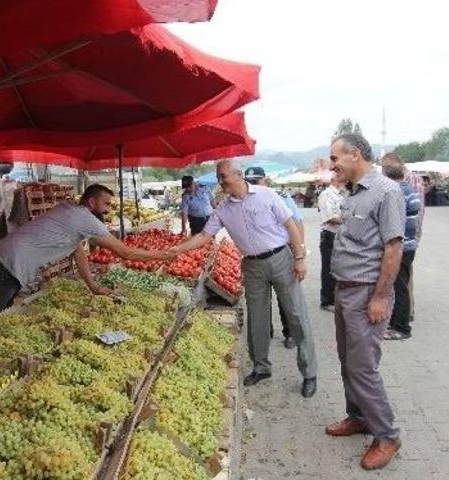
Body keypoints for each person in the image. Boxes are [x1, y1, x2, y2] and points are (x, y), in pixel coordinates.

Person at [169, 160, 318, 398]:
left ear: (239, 175)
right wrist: (177, 249)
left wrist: (299, 257)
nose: (220, 181)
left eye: (223, 176)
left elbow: (291, 225)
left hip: (281, 258)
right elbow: (205, 236)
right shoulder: (223, 209)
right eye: (218, 177)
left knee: (296, 314)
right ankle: (261, 367)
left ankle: (309, 372)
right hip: (252, 265)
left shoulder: (267, 195)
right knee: (257, 317)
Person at [0, 184, 172, 316]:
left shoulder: (69, 210)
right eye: (106, 204)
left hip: (4, 261)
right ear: (91, 202)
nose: (108, 210)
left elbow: (77, 251)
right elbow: (125, 253)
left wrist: (93, 286)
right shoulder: (85, 218)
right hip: (6, 266)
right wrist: (163, 255)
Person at [325, 133, 404, 470]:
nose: (332, 165)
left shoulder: (386, 191)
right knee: (348, 361)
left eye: (335, 158)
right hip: (345, 290)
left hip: (366, 292)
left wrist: (381, 297)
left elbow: (394, 248)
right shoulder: (353, 192)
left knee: (362, 367)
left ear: (354, 154)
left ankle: (387, 435)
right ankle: (358, 417)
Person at [244, 166, 303, 349]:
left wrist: (299, 253)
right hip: (257, 257)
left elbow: (297, 223)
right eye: (250, 181)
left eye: (257, 181)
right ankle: (265, 330)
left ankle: (290, 333)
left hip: (282, 252)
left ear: (265, 180)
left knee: (286, 297)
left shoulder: (280, 197)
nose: (253, 184)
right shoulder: (243, 200)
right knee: (261, 299)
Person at [382, 163, 421, 340]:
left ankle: (401, 327)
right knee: (401, 285)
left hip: (401, 246)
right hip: (409, 244)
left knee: (399, 286)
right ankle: (397, 322)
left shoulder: (397, 192)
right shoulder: (409, 190)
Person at [317, 176, 344, 311]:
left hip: (342, 235)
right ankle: (327, 301)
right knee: (329, 269)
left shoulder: (345, 193)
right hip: (330, 235)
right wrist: (351, 219)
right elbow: (330, 217)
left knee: (341, 268)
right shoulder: (327, 195)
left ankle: (338, 298)